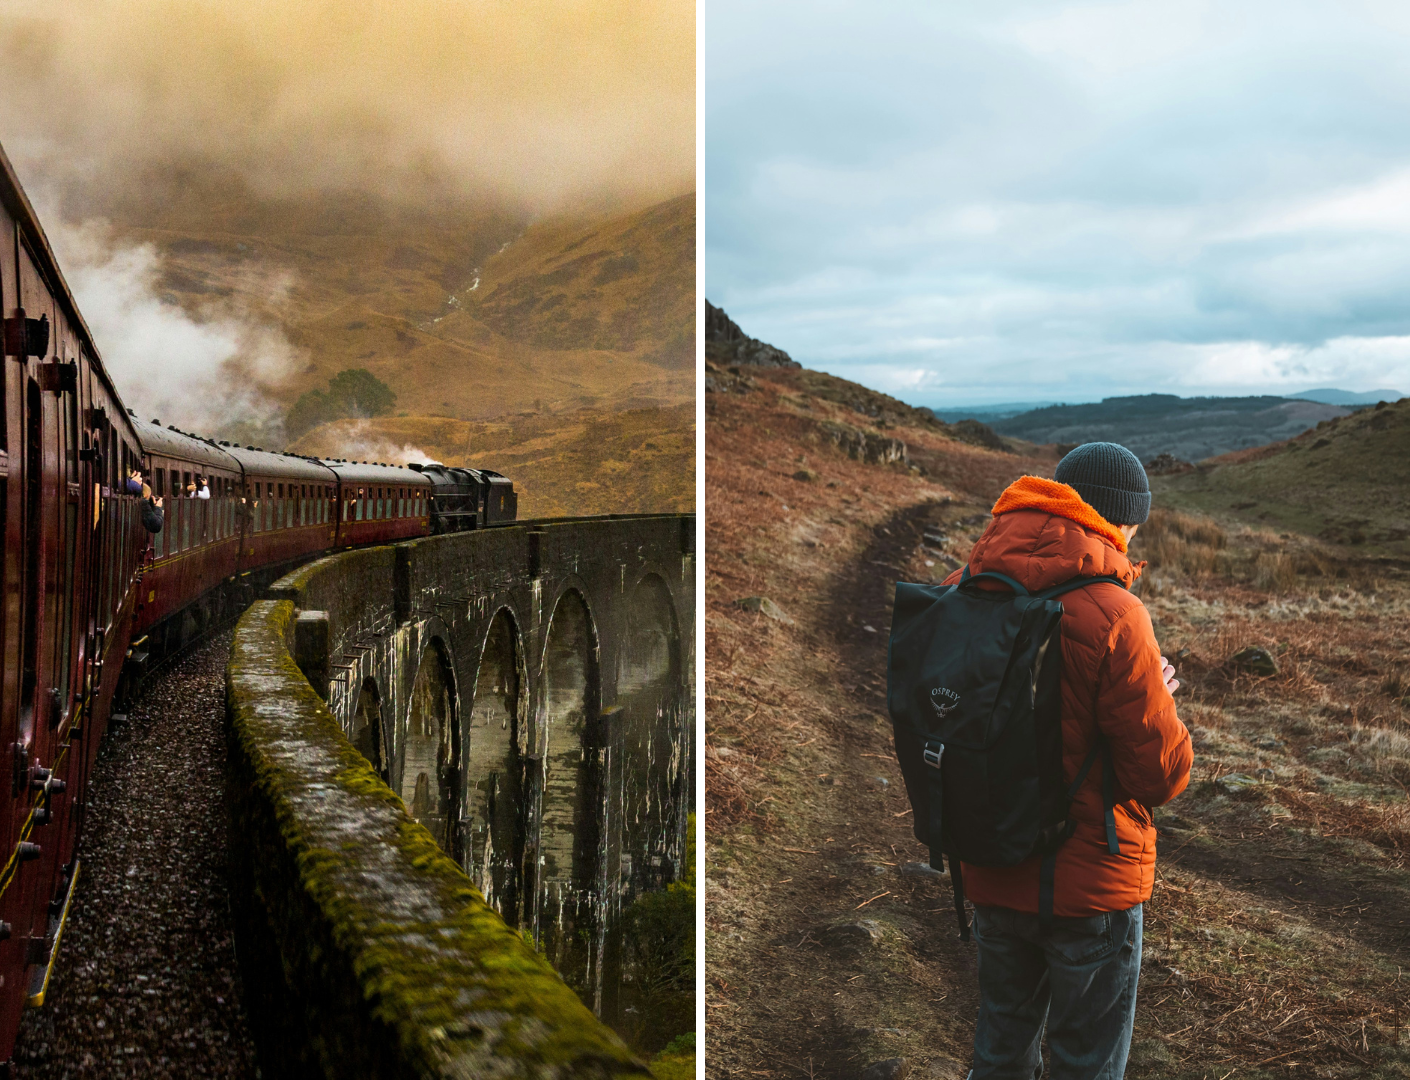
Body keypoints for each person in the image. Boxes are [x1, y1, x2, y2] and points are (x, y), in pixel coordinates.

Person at [952, 442, 1192, 1080]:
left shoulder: (967, 586)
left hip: (992, 860)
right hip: (1093, 887)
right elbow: (1159, 776)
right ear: (1121, 520)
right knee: (1087, 1063)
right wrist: (1159, 699)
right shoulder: (1115, 613)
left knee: (1000, 1053)